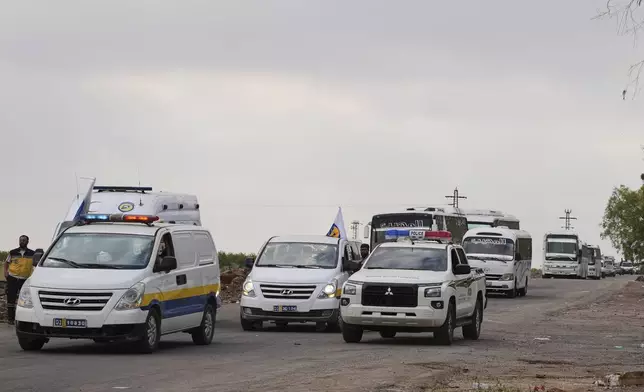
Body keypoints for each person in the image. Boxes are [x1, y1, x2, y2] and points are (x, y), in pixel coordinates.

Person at [4, 235, 35, 325]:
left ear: (27, 242)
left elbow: (36, 265)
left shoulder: (32, 253)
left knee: (25, 300)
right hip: (12, 278)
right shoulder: (12, 252)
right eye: (20, 240)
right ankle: (10, 319)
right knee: (11, 299)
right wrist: (5, 272)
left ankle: (24, 320)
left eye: (24, 240)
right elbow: (6, 263)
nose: (22, 242)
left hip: (25, 280)